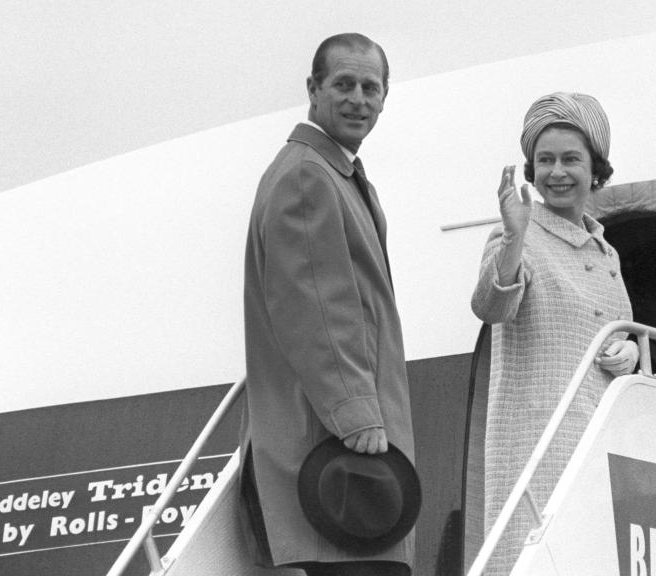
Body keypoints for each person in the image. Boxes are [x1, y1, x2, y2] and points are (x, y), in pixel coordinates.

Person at [239, 33, 414, 576]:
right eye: (343, 84)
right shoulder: (307, 177)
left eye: (371, 87)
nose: (359, 99)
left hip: (341, 455)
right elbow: (314, 306)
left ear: (386, 97)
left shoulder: (335, 173)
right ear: (312, 90)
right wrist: (354, 413)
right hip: (336, 461)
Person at [471, 92, 639, 574]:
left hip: (601, 440)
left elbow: (619, 331)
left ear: (596, 169)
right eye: (545, 160)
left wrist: (629, 354)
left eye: (571, 159)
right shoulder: (515, 235)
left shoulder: (607, 254)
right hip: (538, 445)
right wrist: (514, 236)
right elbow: (492, 305)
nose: (557, 172)